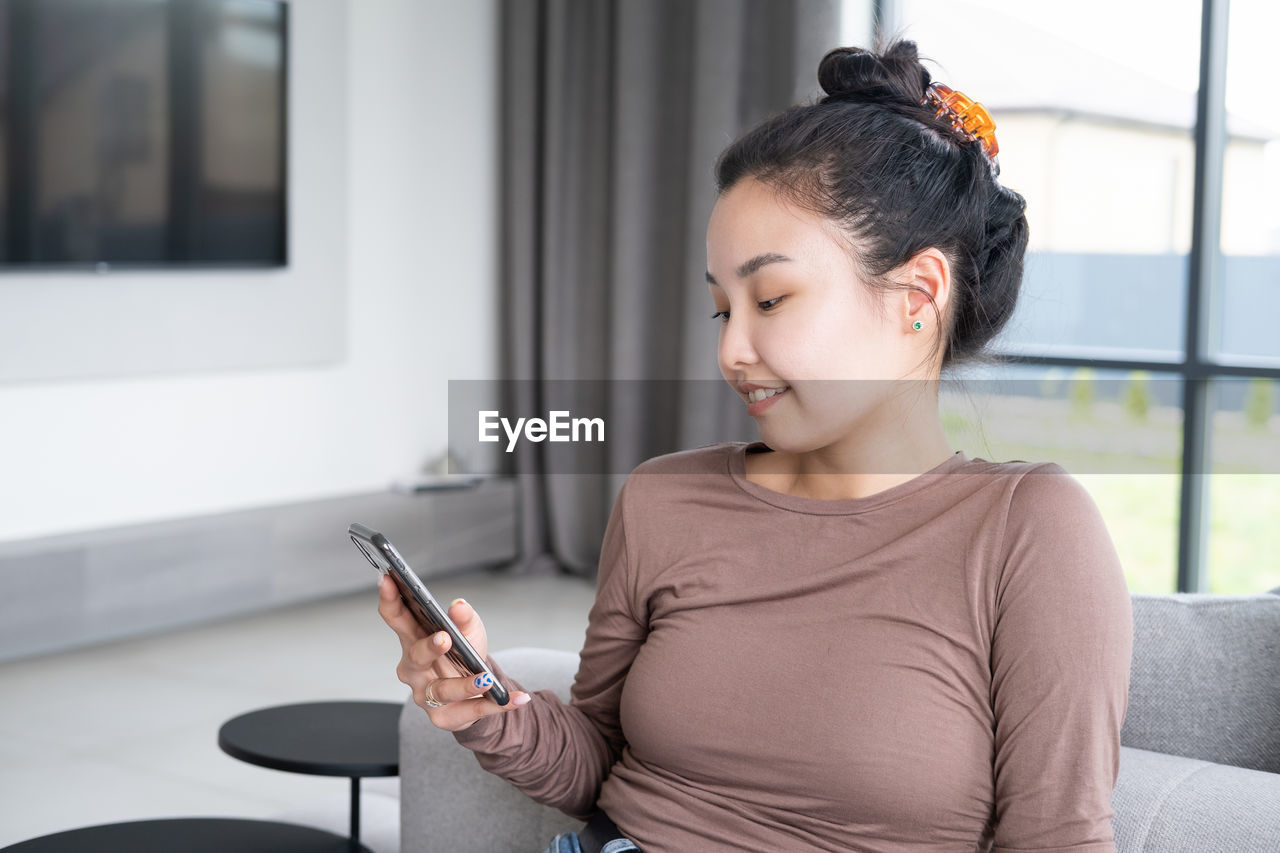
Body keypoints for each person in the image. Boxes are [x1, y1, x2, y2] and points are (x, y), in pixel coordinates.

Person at [378, 40, 1133, 853]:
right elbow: (597, 759)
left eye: (770, 298)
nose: (731, 350)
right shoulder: (663, 497)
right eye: (721, 310)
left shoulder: (1029, 530)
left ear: (918, 295)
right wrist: (494, 713)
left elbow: (1057, 837)